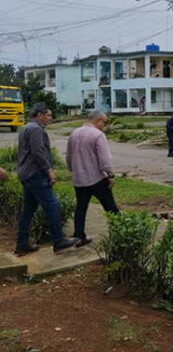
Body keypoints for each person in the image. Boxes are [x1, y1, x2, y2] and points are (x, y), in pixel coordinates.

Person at [15, 103, 78, 256]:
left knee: (28, 210)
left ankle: (22, 244)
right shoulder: (35, 129)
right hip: (36, 174)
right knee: (52, 206)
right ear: (39, 115)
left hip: (26, 174)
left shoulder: (26, 127)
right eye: (48, 115)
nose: (51, 118)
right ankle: (58, 240)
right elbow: (38, 152)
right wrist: (49, 170)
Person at [66, 111, 120, 247]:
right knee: (110, 207)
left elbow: (69, 156)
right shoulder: (98, 135)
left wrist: (72, 169)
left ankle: (79, 236)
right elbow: (104, 159)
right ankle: (121, 234)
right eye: (105, 122)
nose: (104, 125)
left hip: (79, 178)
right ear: (99, 120)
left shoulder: (74, 133)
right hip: (97, 178)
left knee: (80, 208)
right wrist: (110, 175)